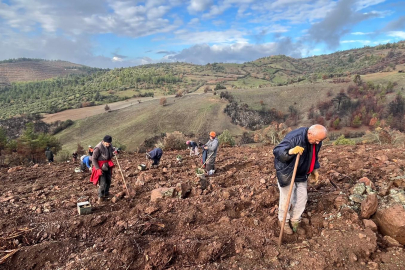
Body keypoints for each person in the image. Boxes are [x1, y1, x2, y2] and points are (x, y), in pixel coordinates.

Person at [273, 124, 327, 235]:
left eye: (320, 141)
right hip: (288, 173)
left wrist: (314, 169)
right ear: (310, 134)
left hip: (301, 174)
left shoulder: (316, 141)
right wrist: (290, 152)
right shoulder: (294, 137)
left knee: (302, 198)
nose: (318, 143)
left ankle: (295, 221)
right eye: (317, 140)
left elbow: (314, 156)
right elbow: (277, 151)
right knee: (287, 198)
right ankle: (283, 221)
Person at [90, 135, 115, 203]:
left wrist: (114, 153)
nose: (108, 145)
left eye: (109, 144)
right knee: (103, 182)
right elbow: (93, 159)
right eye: (107, 144)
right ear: (103, 142)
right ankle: (100, 197)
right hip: (100, 166)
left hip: (108, 165)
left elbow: (111, 153)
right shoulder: (98, 148)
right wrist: (98, 169)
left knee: (108, 180)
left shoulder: (110, 145)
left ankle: (106, 193)